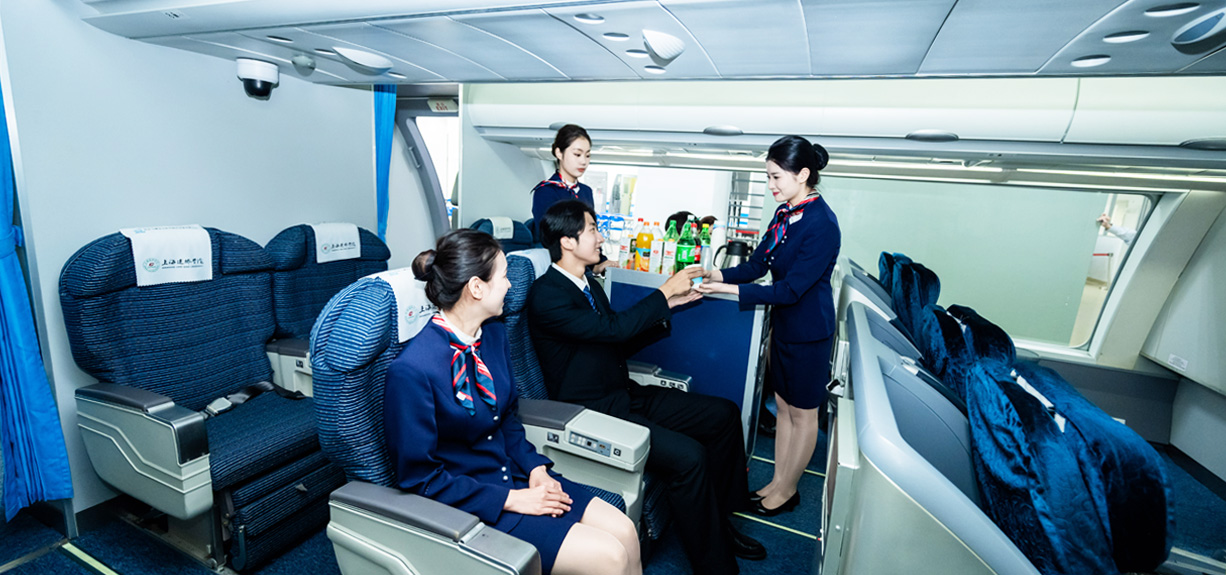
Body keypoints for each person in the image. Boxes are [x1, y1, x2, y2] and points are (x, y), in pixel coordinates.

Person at [527, 200, 766, 575]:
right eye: (592, 230)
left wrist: (670, 306)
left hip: (623, 393)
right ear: (567, 241)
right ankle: (716, 565)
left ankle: (721, 521)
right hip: (593, 410)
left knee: (723, 414)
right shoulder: (547, 295)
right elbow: (612, 330)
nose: (600, 238)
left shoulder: (588, 285)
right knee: (690, 457)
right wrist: (664, 292)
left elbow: (615, 342)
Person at [384, 229, 640, 575]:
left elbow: (507, 418)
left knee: (625, 530)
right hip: (473, 503)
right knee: (610, 556)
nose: (509, 286)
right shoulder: (412, 370)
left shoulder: (493, 335)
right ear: (477, 288)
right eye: (503, 277)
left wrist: (536, 470)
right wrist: (511, 500)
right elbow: (420, 478)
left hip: (518, 475)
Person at [697, 135, 840, 517]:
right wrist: (716, 273)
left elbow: (791, 289)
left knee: (803, 414)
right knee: (783, 407)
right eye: (769, 177)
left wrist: (730, 291)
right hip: (785, 325)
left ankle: (788, 490)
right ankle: (777, 481)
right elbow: (758, 265)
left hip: (810, 332)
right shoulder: (783, 215)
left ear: (803, 174)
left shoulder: (822, 223)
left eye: (776, 177)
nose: (771, 185)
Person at [531, 124, 612, 273]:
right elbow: (551, 240)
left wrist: (601, 262)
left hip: (583, 269)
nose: (583, 162)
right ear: (559, 153)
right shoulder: (546, 191)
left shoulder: (586, 192)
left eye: (587, 155)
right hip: (559, 268)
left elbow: (590, 233)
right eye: (577, 154)